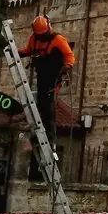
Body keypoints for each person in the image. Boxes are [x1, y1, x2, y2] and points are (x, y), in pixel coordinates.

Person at [18, 15, 75, 144]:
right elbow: (28, 50)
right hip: (43, 74)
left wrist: (68, 66)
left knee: (48, 104)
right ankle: (39, 132)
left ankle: (49, 136)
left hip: (54, 75)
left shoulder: (58, 39)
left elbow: (69, 54)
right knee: (40, 102)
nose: (41, 37)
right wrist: (17, 53)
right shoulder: (34, 39)